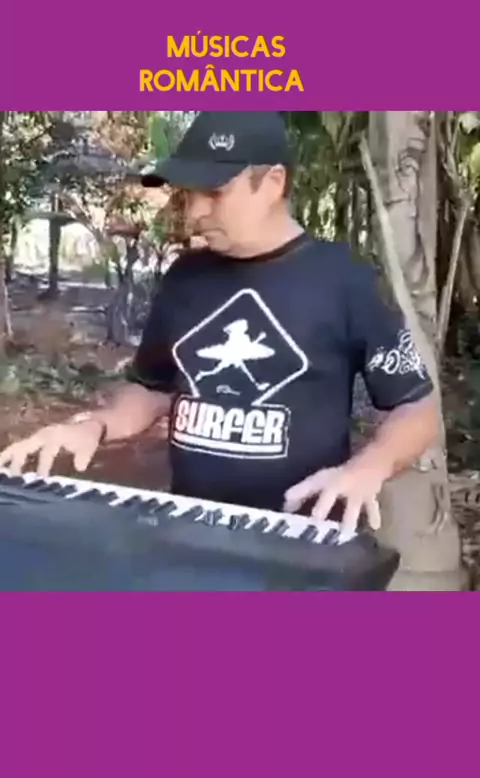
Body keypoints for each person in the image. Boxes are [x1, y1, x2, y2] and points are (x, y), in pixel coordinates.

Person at [0, 111, 438, 535]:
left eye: (214, 193)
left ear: (272, 183)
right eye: (189, 194)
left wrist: (369, 466)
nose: (194, 213)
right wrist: (94, 426)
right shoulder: (185, 278)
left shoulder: (347, 279)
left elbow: (416, 408)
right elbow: (152, 386)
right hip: (193, 532)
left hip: (300, 540)